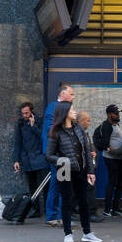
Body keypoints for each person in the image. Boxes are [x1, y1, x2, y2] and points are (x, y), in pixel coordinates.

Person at [45, 100, 101, 242]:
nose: (75, 112)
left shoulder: (78, 128)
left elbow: (87, 151)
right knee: (67, 202)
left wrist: (90, 171)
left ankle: (87, 233)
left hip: (81, 170)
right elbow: (49, 155)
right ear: (65, 113)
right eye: (72, 110)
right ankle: (68, 233)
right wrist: (63, 160)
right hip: (64, 170)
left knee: (83, 202)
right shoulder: (55, 132)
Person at [40, 85, 74, 227]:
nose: (73, 97)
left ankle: (54, 216)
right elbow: (51, 130)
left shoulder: (57, 108)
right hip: (58, 154)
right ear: (63, 94)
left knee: (57, 183)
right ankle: (59, 216)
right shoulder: (54, 107)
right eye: (71, 94)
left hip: (59, 154)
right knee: (61, 184)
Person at [12, 101, 49, 219]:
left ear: (31, 111)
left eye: (27, 113)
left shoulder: (40, 121)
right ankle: (36, 209)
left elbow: (44, 138)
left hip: (40, 159)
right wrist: (16, 160)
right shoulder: (21, 123)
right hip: (27, 159)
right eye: (23, 113)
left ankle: (49, 210)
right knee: (32, 186)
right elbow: (18, 142)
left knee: (45, 186)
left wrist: (34, 127)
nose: (25, 115)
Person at [94, 104, 122, 217]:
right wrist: (114, 150)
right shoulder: (107, 126)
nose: (118, 115)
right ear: (109, 114)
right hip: (111, 158)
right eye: (115, 113)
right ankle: (108, 209)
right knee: (112, 182)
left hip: (119, 158)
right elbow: (105, 144)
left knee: (121, 183)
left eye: (118, 113)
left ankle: (115, 208)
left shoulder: (115, 125)